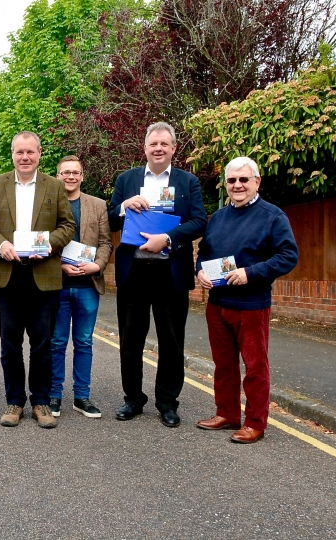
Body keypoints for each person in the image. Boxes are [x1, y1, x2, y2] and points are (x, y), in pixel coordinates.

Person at [108, 122, 207, 426]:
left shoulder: (187, 182)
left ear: (174, 148)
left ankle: (167, 403)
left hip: (170, 272)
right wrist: (124, 206)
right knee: (130, 341)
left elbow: (199, 222)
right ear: (145, 147)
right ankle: (133, 400)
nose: (159, 148)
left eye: (165, 144)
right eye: (154, 144)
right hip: (134, 272)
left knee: (172, 342)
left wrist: (167, 239)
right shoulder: (127, 180)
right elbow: (110, 219)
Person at [196, 157, 298, 443]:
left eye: (243, 179)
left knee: (255, 367)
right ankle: (227, 413)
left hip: (252, 305)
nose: (237, 185)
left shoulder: (273, 216)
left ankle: (255, 422)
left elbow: (288, 257)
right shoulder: (218, 218)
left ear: (257, 181)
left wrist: (250, 273)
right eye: (232, 180)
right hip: (218, 304)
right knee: (223, 364)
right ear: (225, 184)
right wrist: (200, 271)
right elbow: (204, 252)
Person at [0, 131, 75, 429]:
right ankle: (15, 401)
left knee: (43, 343)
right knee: (10, 344)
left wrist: (50, 245)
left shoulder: (55, 186)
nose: (25, 157)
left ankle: (41, 402)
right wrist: (0, 245)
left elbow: (67, 225)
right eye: (19, 152)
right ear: (12, 154)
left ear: (39, 153)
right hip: (6, 275)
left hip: (42, 274)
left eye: (30, 152)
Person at [49, 155, 112, 418]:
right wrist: (60, 265)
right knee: (56, 343)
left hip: (88, 284)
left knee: (84, 342)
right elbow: (42, 242)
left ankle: (82, 397)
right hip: (58, 283)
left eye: (75, 172)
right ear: (58, 175)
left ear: (82, 176)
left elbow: (106, 242)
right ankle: (53, 396)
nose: (71, 176)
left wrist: (97, 266)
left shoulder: (97, 205)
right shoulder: (48, 203)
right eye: (66, 173)